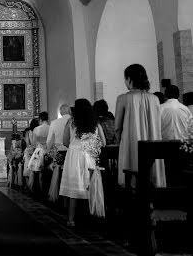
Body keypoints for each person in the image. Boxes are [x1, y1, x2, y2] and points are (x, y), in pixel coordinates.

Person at [115, 64, 165, 187]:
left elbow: (117, 127)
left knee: (131, 180)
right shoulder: (154, 98)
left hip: (130, 144)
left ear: (129, 79)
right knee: (149, 178)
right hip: (152, 144)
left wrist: (118, 143)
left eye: (125, 79)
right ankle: (151, 201)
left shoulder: (123, 98)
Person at [59, 98, 106, 227]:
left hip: (74, 156)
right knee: (89, 185)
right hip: (88, 155)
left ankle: (71, 219)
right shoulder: (95, 123)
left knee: (74, 188)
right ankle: (92, 215)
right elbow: (103, 142)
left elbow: (65, 142)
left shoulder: (71, 122)